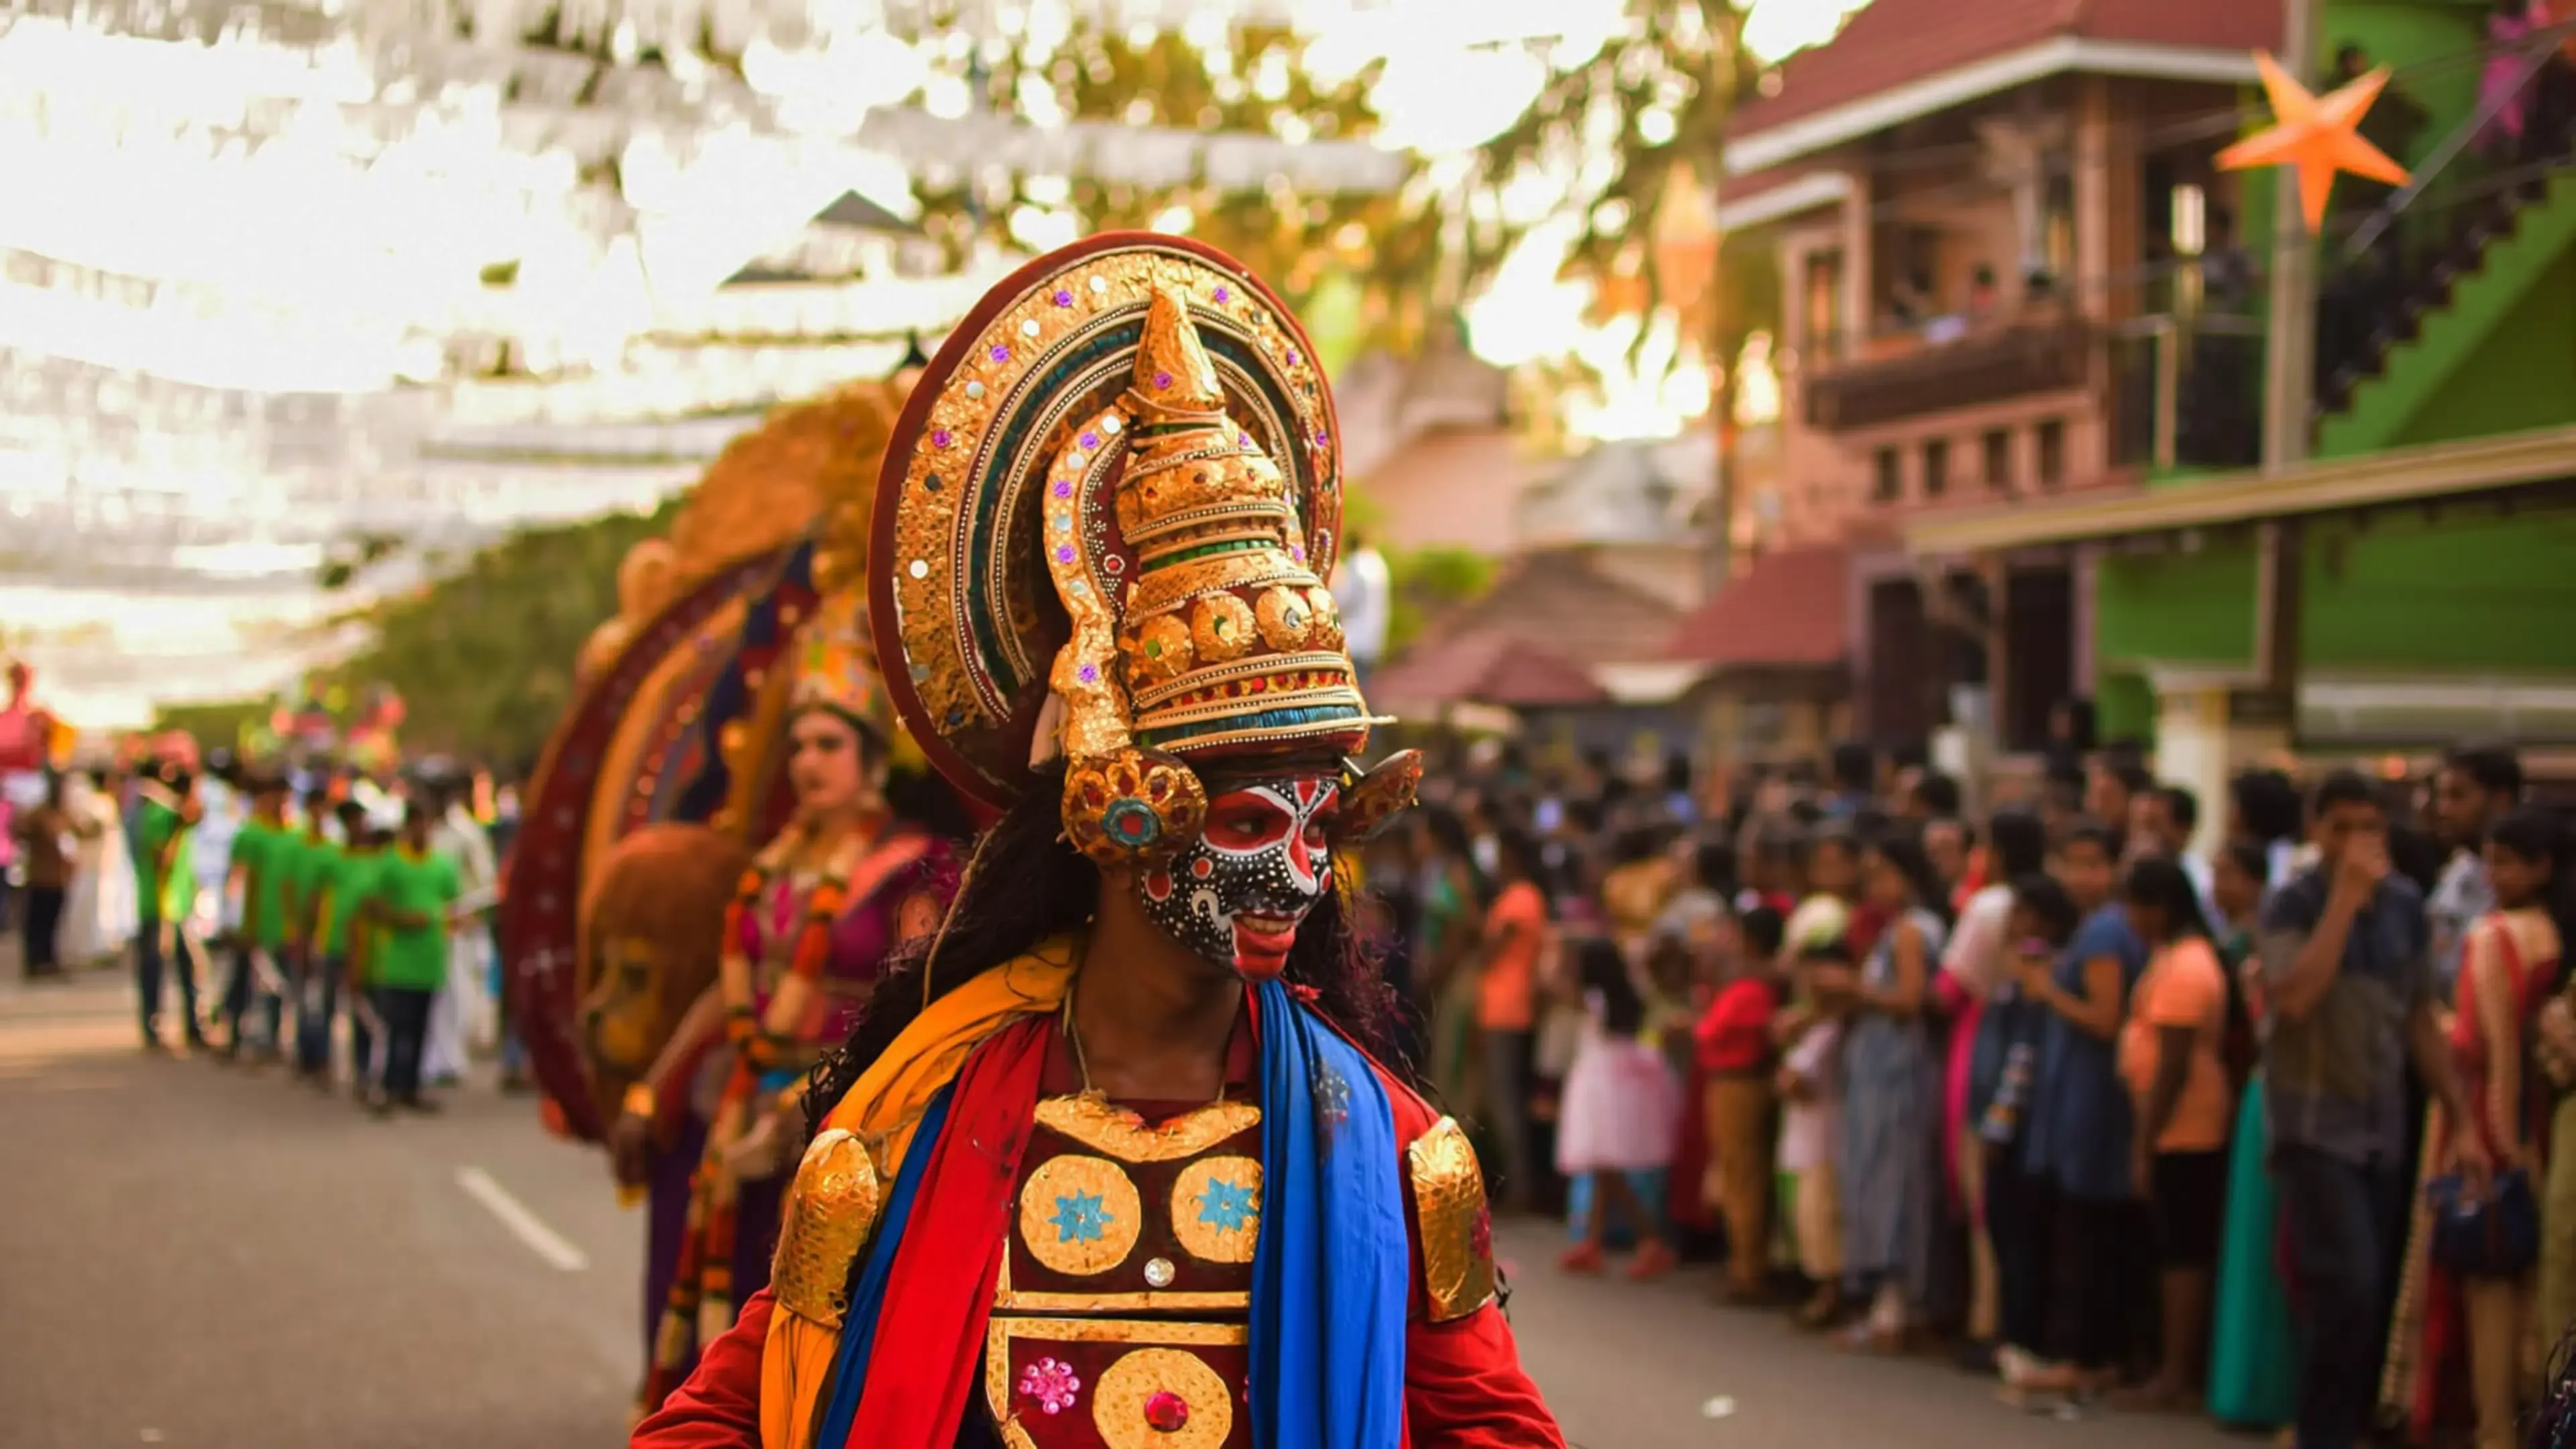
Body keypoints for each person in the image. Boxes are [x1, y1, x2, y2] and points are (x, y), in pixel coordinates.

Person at [634, 238, 1560, 1448]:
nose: (1297, 873)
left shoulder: (1388, 1149)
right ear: (1120, 816)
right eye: (1244, 822)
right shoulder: (918, 1116)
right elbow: (722, 1418)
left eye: (1321, 824)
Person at [631, 590, 960, 1415]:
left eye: (828, 744)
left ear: (874, 759)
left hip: (839, 1134)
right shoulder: (774, 867)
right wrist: (654, 1087)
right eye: (798, 746)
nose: (807, 761)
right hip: (735, 1113)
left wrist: (807, 1115)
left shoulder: (917, 872)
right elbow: (726, 990)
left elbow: (926, 1016)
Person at [2263, 770, 2487, 1449]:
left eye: (2371, 828)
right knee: (2347, 1285)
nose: (2359, 842)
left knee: (2372, 1292)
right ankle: (2322, 1434)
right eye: (2343, 828)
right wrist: (2343, 901)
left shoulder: (2404, 906)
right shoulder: (2292, 904)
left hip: (2382, 1129)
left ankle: (2341, 1427)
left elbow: (2420, 1018)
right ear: (2316, 831)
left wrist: (2465, 1120)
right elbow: (2295, 997)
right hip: (2312, 1127)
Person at [2385, 808, 2563, 1449]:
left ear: (2542, 867)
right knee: (2533, 1289)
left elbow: (2491, 1051)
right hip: (2542, 1126)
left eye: (2505, 861)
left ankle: (2495, 1431)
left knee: (2486, 1283)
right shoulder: (2551, 932)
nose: (2491, 874)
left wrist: (2489, 1140)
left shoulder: (2494, 936)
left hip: (2486, 1123)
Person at [2012, 822, 2147, 1397]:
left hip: (2097, 1098)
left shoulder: (2106, 933)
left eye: (2093, 863)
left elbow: (2105, 1018)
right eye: (2071, 863)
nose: (2080, 876)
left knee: (2091, 1229)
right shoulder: (2099, 928)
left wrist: (2046, 991)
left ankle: (2089, 1357)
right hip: (2084, 1095)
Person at [2115, 855, 2235, 1411]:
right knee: (2171, 1249)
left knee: (2182, 1256)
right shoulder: (2174, 956)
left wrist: (2145, 1142)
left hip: (2185, 1128)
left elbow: (2173, 1067)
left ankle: (2175, 1372)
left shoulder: (2188, 965)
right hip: (2175, 1126)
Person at [1821, 833, 1949, 1351]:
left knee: (1893, 1182)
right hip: (1884, 1068)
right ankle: (1889, 1305)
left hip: (1897, 1071)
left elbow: (1911, 1000)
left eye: (1880, 875)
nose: (1872, 887)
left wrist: (1854, 989)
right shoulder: (1900, 930)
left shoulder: (1910, 932)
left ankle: (1896, 1309)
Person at [1937, 808, 2049, 1356]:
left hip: (1985, 1045)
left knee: (1983, 1183)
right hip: (2028, 1051)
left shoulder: (1989, 906)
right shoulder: (2037, 904)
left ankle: (1989, 1318)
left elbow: (1950, 987)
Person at [1557, 934, 1682, 1280]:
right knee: (1603, 1167)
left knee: (1607, 1166)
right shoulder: (1629, 996)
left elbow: (1553, 988)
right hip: (1618, 1086)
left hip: (1599, 1086)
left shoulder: (1592, 998)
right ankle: (1593, 1242)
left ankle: (1649, 1239)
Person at [1697, 904, 1783, 1301]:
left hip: (1740, 1085)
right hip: (1728, 1084)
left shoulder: (1751, 990)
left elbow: (1713, 1031)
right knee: (1735, 1174)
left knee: (1743, 1177)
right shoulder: (1745, 985)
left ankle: (1748, 1270)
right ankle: (1742, 1265)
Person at [361, 802, 462, 1114]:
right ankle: (389, 1086)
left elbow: (453, 905)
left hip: (430, 960)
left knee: (421, 1028)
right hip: (398, 962)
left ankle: (412, 1088)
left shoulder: (442, 866)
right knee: (397, 1028)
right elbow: (371, 905)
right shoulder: (390, 863)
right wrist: (402, 919)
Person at [1477, 827, 1552, 1211]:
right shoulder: (1519, 896)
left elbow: (1490, 948)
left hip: (1509, 1007)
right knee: (1504, 1099)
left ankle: (1521, 1184)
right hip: (1502, 1005)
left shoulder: (1521, 897)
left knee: (1507, 1101)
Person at [2430, 742, 2522, 997]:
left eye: (2457, 796)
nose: (2443, 809)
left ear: (2500, 801)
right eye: (2442, 796)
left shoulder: (2531, 883)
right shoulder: (2456, 871)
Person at [425, 778, 500, 1087]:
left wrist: (468, 914)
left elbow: (486, 882)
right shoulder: (424, 832)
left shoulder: (467, 834)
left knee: (456, 996)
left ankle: (451, 1061)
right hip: (426, 927)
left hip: (458, 925)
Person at [131, 754, 206, 1052]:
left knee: (189, 969)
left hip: (179, 906)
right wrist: (177, 828)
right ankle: (154, 1027)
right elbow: (161, 859)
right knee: (155, 970)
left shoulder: (177, 819)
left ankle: (193, 1027)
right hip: (159, 907)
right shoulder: (159, 817)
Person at [221, 776, 294, 1061]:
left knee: (276, 985)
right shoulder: (250, 834)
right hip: (254, 922)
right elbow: (240, 880)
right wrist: (241, 921)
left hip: (283, 925)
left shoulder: (293, 835)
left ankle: (272, 1040)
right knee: (242, 981)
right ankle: (234, 1035)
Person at [58, 767, 136, 971]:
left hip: (103, 865)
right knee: (94, 908)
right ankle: (94, 948)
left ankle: (103, 947)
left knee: (104, 908)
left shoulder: (102, 803)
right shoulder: (99, 803)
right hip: (93, 865)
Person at [1331, 528, 1391, 690]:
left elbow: (1345, 600)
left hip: (1354, 637)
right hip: (1373, 637)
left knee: (1354, 687)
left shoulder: (1356, 565)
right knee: (1364, 685)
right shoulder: (1378, 564)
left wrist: (1335, 580)